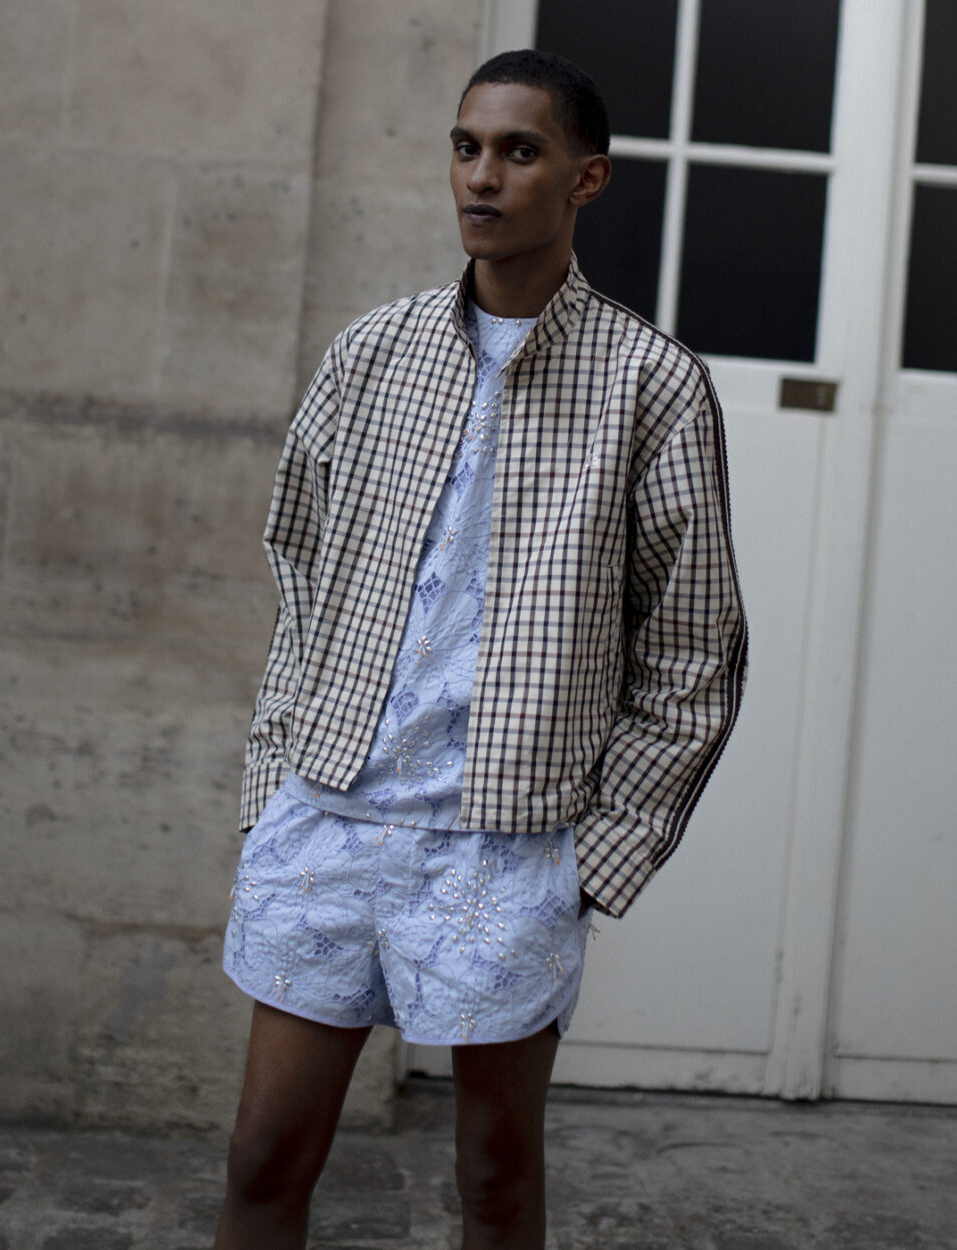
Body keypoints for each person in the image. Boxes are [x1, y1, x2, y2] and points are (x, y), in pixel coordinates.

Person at [213, 48, 747, 1250]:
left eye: (518, 151)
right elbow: (299, 572)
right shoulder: (372, 354)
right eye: (466, 147)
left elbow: (693, 650)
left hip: (508, 847)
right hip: (331, 819)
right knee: (261, 1152)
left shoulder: (650, 385)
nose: (482, 176)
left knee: (496, 1178)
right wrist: (272, 782)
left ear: (586, 177)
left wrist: (591, 860)